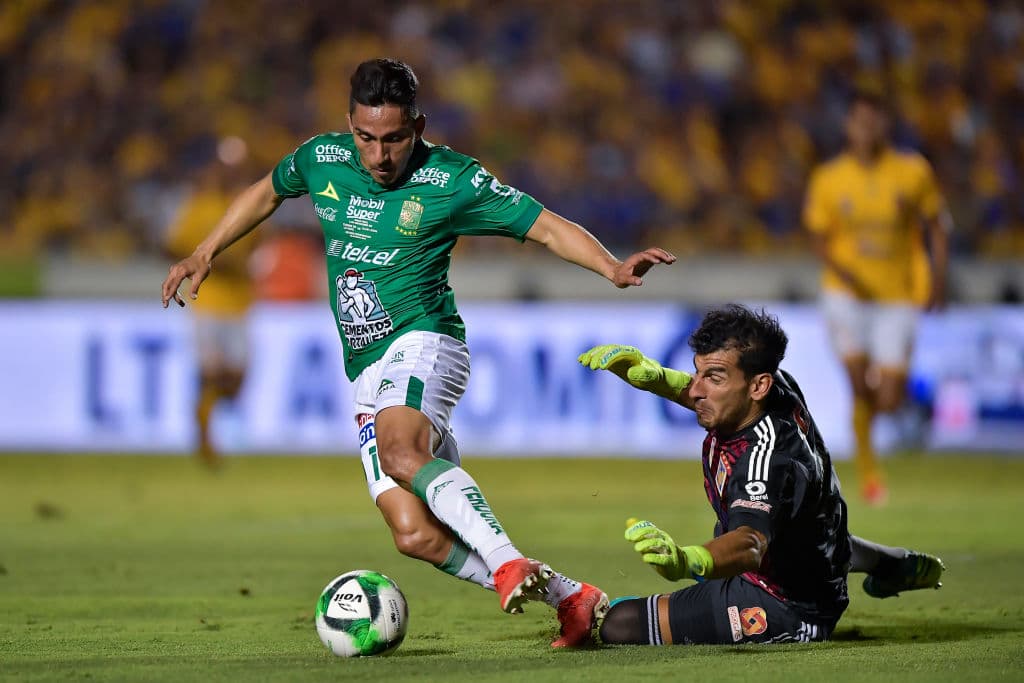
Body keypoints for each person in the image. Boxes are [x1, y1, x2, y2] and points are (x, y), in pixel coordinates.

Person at [161, 58, 676, 648]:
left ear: (419, 126)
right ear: (348, 125)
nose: (378, 156)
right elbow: (266, 193)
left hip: (427, 339)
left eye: (394, 139)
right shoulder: (321, 159)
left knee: (401, 451)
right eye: (366, 138)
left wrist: (610, 265)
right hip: (367, 368)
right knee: (415, 536)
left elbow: (545, 226)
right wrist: (207, 251)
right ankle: (575, 600)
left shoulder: (453, 179)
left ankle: (506, 560)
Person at [578, 304, 944, 646]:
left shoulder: (764, 458)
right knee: (798, 530)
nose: (696, 388)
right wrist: (654, 377)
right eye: (697, 371)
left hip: (784, 602)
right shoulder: (775, 389)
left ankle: (879, 568)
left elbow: (750, 544)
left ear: (758, 386)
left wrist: (685, 561)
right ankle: (894, 562)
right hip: (818, 541)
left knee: (617, 621)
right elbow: (713, 390)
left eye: (714, 377)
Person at [803, 90, 951, 504]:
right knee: (857, 385)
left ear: (885, 124)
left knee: (886, 398)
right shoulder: (830, 178)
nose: (866, 129)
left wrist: (937, 278)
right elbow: (816, 236)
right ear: (848, 127)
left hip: (896, 297)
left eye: (874, 120)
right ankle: (870, 477)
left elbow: (936, 224)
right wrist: (844, 269)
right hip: (845, 295)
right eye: (859, 121)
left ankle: (892, 405)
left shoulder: (912, 171)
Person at [165, 160, 258, 467]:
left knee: (237, 379)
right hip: (207, 301)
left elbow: (260, 248)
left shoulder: (248, 205)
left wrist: (241, 265)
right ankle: (204, 436)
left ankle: (203, 412)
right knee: (211, 373)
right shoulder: (199, 206)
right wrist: (203, 260)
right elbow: (172, 245)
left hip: (240, 303)